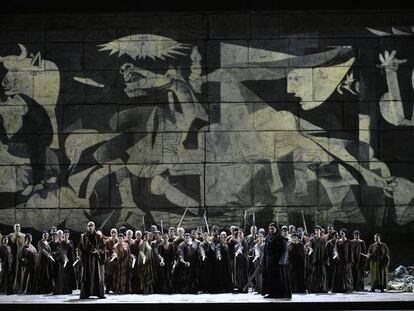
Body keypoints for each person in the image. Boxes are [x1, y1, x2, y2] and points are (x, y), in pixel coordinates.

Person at [262, 223, 291, 299]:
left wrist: (283, 260)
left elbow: (285, 250)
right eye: (270, 229)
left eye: (272, 228)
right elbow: (265, 249)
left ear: (276, 229)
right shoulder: (268, 237)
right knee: (270, 277)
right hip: (269, 261)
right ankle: (271, 293)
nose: (271, 230)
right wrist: (264, 260)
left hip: (278, 262)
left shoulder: (281, 238)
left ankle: (280, 293)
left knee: (279, 278)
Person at [78, 221, 105, 299]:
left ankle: (98, 293)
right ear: (87, 227)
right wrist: (79, 255)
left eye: (91, 226)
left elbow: (103, 248)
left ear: (94, 227)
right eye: (89, 226)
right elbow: (79, 248)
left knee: (97, 276)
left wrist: (98, 251)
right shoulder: (83, 236)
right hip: (86, 260)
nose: (90, 227)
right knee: (86, 276)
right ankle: (86, 294)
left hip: (96, 259)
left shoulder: (99, 236)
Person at [332, 229, 353, 293]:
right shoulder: (338, 241)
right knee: (339, 274)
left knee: (346, 275)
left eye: (342, 233)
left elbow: (350, 252)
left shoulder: (349, 242)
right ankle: (339, 288)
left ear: (345, 233)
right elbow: (335, 249)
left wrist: (351, 261)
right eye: (340, 233)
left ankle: (347, 288)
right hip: (340, 260)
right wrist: (335, 253)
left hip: (346, 260)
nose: (341, 234)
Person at [308, 225, 329, 293]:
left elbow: (325, 250)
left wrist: (326, 259)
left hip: (321, 259)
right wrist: (310, 249)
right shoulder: (312, 239)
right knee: (314, 274)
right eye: (316, 230)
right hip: (315, 260)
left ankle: (322, 288)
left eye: (318, 230)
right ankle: (314, 289)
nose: (316, 232)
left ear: (320, 231)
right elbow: (309, 246)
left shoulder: (323, 239)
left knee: (322, 274)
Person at [7, 223, 25, 293]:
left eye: (19, 227)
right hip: (13, 256)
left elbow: (24, 246)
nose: (18, 228)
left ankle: (20, 287)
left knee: (20, 271)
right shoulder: (10, 235)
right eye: (16, 227)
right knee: (13, 271)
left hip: (20, 256)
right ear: (14, 228)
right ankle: (12, 288)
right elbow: (8, 245)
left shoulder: (23, 235)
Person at [104, 228, 118, 294]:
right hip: (109, 260)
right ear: (110, 233)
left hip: (117, 260)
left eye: (114, 232)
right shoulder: (107, 241)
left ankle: (115, 288)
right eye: (112, 232)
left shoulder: (118, 240)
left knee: (115, 274)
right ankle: (107, 288)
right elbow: (105, 250)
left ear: (116, 233)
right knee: (108, 274)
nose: (113, 234)